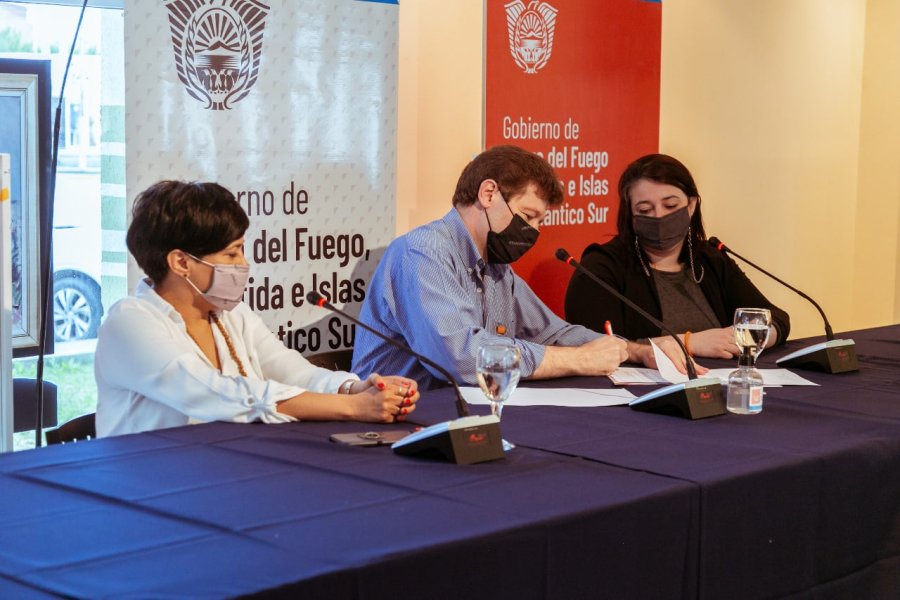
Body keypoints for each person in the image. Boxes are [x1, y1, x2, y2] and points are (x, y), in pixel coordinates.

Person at [95, 181, 419, 437]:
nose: (244, 263)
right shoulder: (129, 322)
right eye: (232, 253)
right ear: (181, 262)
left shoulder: (229, 313)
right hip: (147, 483)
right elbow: (216, 394)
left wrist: (353, 389)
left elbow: (293, 371)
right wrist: (353, 408)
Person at [351, 145, 673, 389]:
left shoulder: (496, 268)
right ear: (489, 193)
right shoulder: (423, 252)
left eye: (539, 221)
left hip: (463, 414)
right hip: (394, 422)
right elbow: (461, 358)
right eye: (528, 216)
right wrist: (577, 360)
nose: (534, 231)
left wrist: (633, 350)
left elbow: (553, 333)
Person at [565, 153, 790, 370]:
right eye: (645, 209)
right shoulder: (601, 268)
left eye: (670, 206)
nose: (659, 216)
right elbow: (592, 346)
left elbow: (776, 318)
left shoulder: (711, 259)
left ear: (691, 205)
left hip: (720, 382)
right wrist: (689, 343)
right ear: (630, 216)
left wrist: (746, 338)